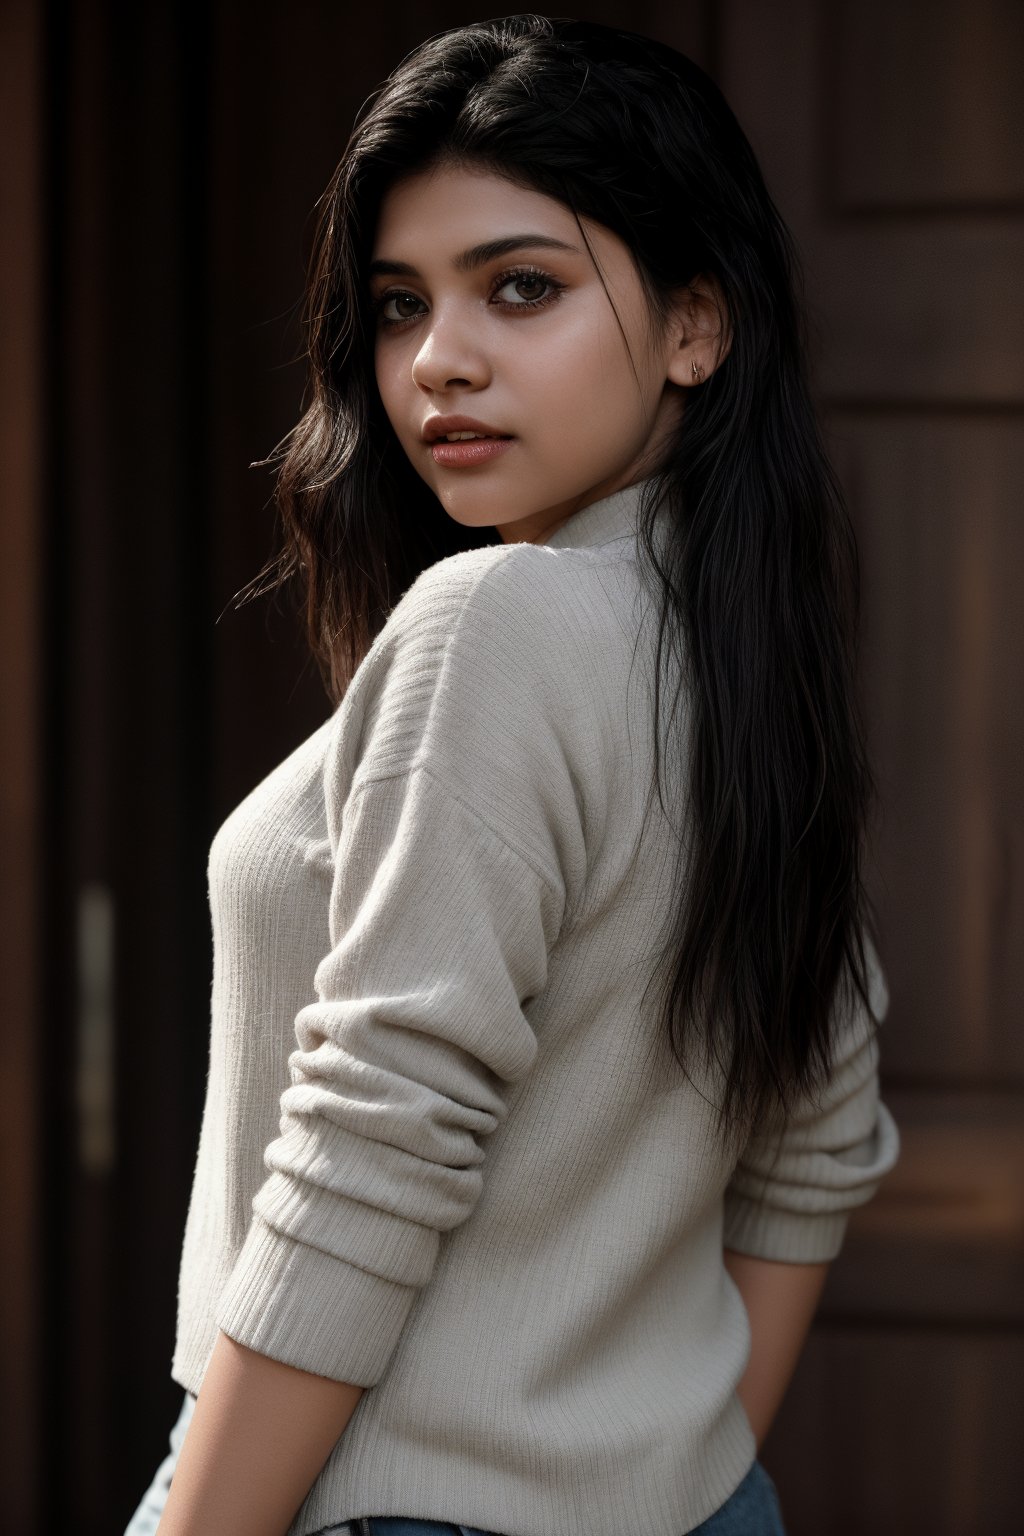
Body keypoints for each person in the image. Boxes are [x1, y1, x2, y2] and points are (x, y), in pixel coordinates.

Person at [125, 15, 901, 1536]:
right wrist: (644, 1469)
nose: (437, 362)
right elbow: (816, 1136)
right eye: (401, 306)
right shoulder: (738, 666)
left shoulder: (499, 620)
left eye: (522, 286)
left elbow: (371, 1151)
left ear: (698, 325)